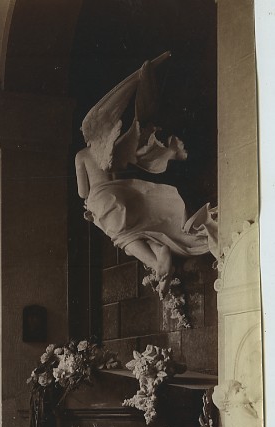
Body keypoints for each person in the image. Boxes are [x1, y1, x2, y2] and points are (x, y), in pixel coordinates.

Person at [77, 55, 216, 293]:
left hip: (101, 199)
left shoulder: (81, 155)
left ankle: (156, 264)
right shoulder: (111, 149)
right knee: (136, 232)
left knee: (122, 239)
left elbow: (83, 192)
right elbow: (120, 169)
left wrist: (89, 206)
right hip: (121, 193)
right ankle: (160, 251)